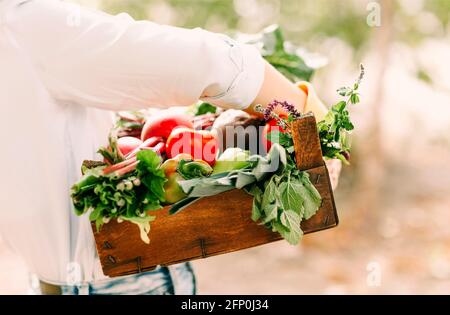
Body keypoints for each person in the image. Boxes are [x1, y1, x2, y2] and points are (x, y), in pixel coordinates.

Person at [0, 0, 340, 295]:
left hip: (48, 282)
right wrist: (319, 123)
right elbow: (213, 63)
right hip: (118, 284)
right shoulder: (23, 25)